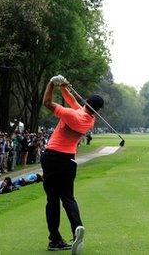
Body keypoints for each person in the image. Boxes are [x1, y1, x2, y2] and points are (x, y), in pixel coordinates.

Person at [41, 75, 103, 253]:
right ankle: (77, 227)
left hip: (52, 157)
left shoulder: (71, 115)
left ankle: (55, 240)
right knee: (68, 197)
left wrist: (52, 83)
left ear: (87, 103)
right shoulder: (89, 120)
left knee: (52, 199)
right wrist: (64, 88)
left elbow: (46, 102)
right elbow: (74, 102)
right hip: (69, 160)